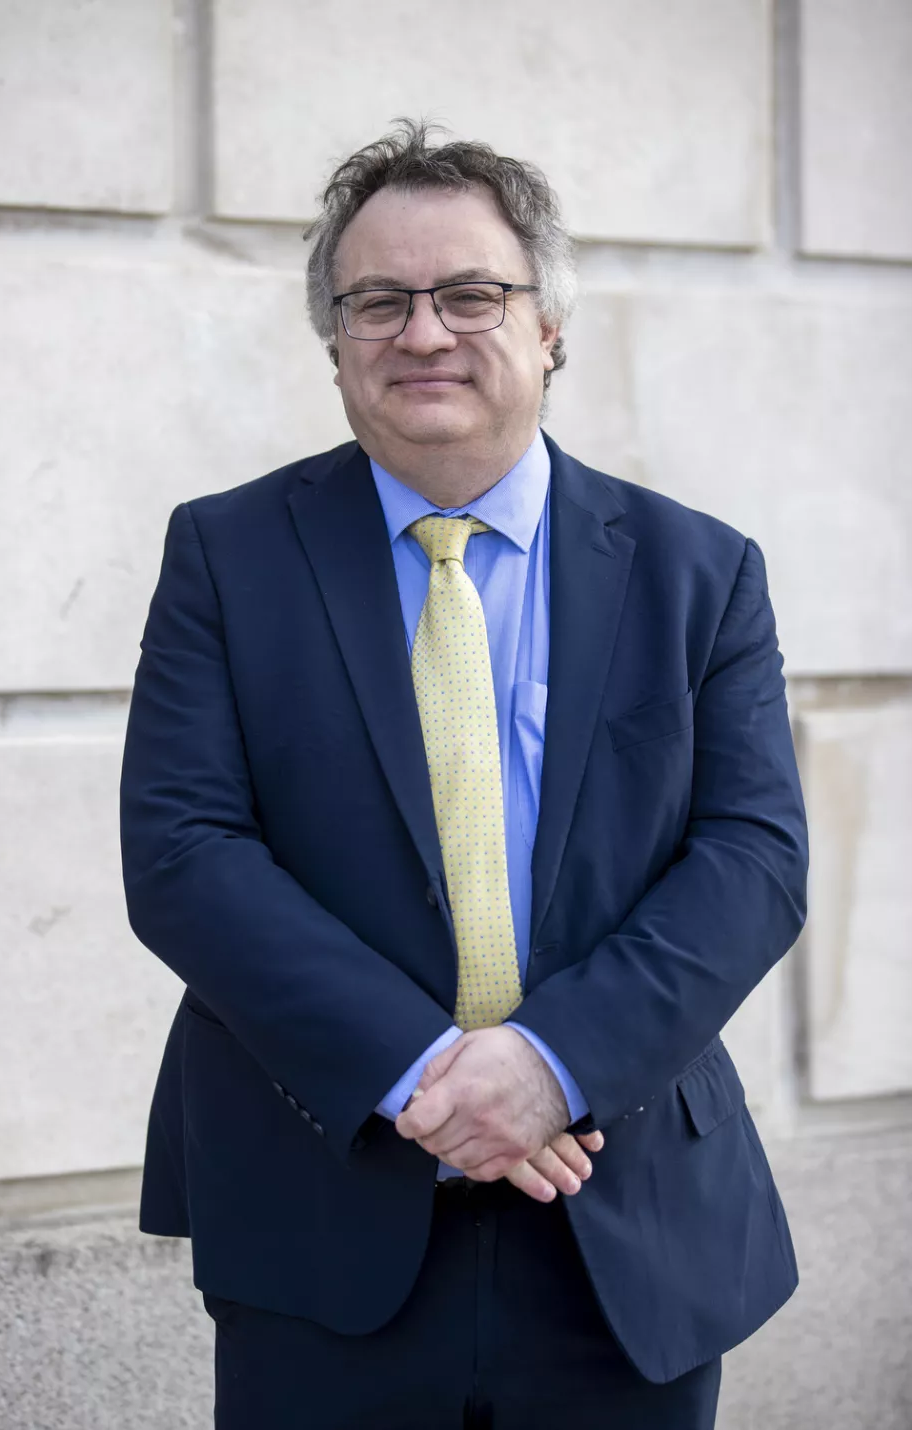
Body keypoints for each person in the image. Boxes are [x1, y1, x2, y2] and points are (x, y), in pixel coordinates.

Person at [119, 119, 808, 1429]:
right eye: (378, 300)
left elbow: (754, 858)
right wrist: (432, 1074)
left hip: (624, 1217)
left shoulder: (698, 573)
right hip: (325, 1205)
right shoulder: (226, 556)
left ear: (550, 326)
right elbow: (184, 854)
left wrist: (552, 1060)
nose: (423, 331)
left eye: (471, 294)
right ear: (334, 340)